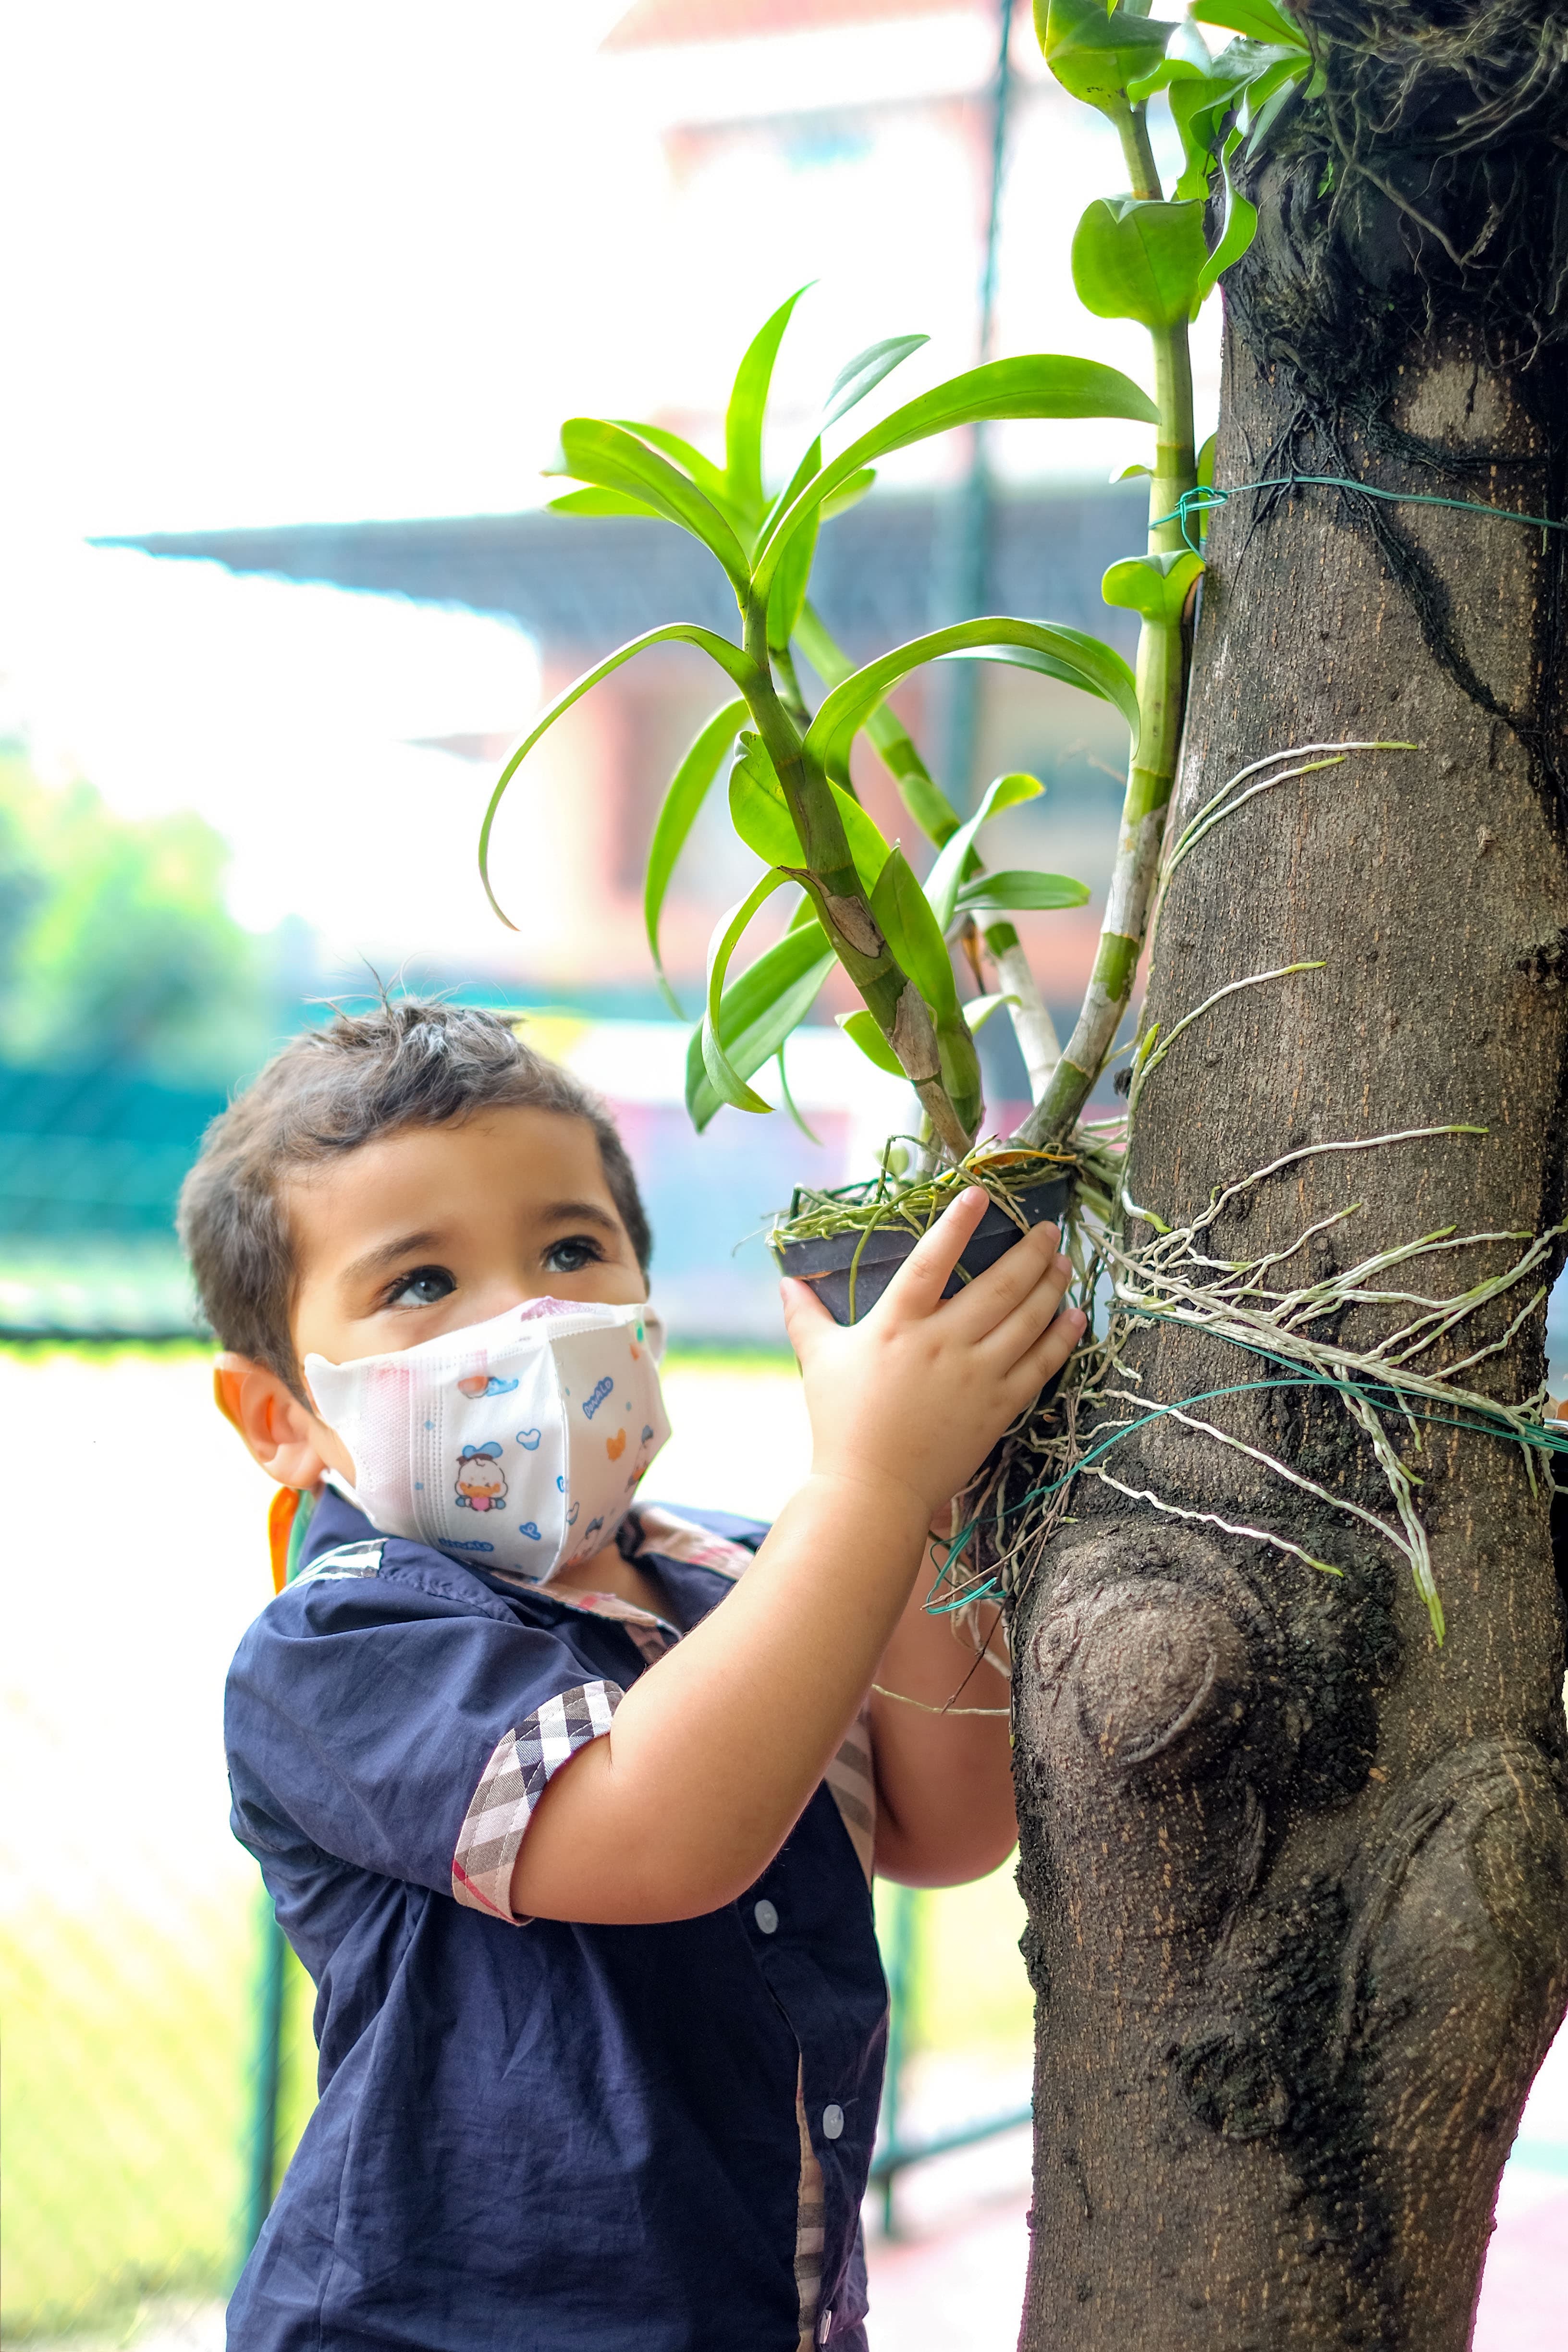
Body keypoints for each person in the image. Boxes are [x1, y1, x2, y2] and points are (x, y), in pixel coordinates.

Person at [182, 999, 1083, 2352]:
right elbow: (661, 1831)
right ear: (281, 1418)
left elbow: (943, 1823)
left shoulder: (751, 1577)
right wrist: (872, 1480)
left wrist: (934, 1487)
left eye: (570, 1246)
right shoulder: (337, 1651)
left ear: (644, 1303)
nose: (532, 1310)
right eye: (419, 1283)